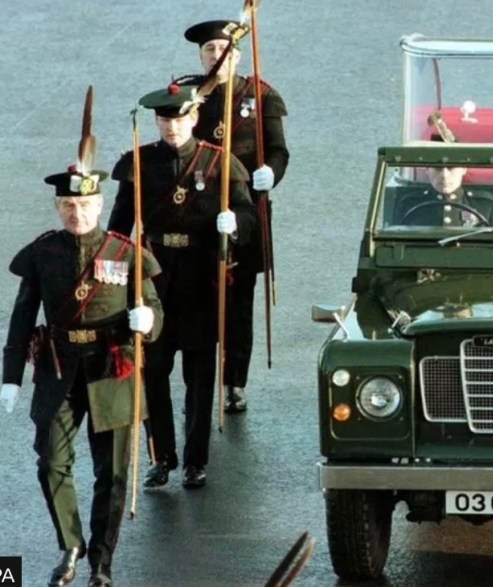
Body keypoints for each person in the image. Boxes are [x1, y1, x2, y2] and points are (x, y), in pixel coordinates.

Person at [1, 166, 162, 587]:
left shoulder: (124, 252)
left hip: (112, 368)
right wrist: (11, 377)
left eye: (85, 205)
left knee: (112, 474)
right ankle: (71, 544)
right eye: (69, 205)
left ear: (100, 205)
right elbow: (22, 317)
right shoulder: (43, 253)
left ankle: (101, 563)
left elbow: (154, 308)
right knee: (51, 462)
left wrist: (148, 321)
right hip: (59, 369)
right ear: (58, 207)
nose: (77, 213)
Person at [107, 81, 255, 489]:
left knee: (199, 376)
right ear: (157, 122)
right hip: (154, 278)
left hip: (200, 279)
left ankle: (195, 460)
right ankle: (162, 458)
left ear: (194, 118)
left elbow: (248, 215)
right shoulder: (139, 163)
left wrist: (234, 223)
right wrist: (114, 279)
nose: (172, 128)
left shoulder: (217, 162)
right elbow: (119, 228)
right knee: (153, 372)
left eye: (179, 120)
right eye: (164, 121)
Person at [182, 19, 290, 413]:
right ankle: (198, 386)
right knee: (196, 304)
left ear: (237, 54)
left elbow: (279, 151)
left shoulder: (260, 96)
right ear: (201, 56)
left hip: (245, 210)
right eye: (209, 49)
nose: (217, 54)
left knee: (239, 304)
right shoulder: (189, 95)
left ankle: (234, 382)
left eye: (223, 48)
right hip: (197, 214)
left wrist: (270, 174)